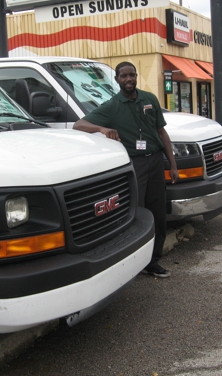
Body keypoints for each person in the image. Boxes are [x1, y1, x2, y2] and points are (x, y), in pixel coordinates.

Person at [73, 61, 179, 278]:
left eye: (132, 75)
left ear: (136, 76)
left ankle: (153, 261)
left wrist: (173, 164)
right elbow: (79, 125)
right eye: (124, 76)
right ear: (117, 80)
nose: (128, 79)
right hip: (136, 165)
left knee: (158, 212)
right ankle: (135, 261)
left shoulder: (149, 99)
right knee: (137, 213)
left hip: (156, 162)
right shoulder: (113, 106)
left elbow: (162, 132)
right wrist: (102, 128)